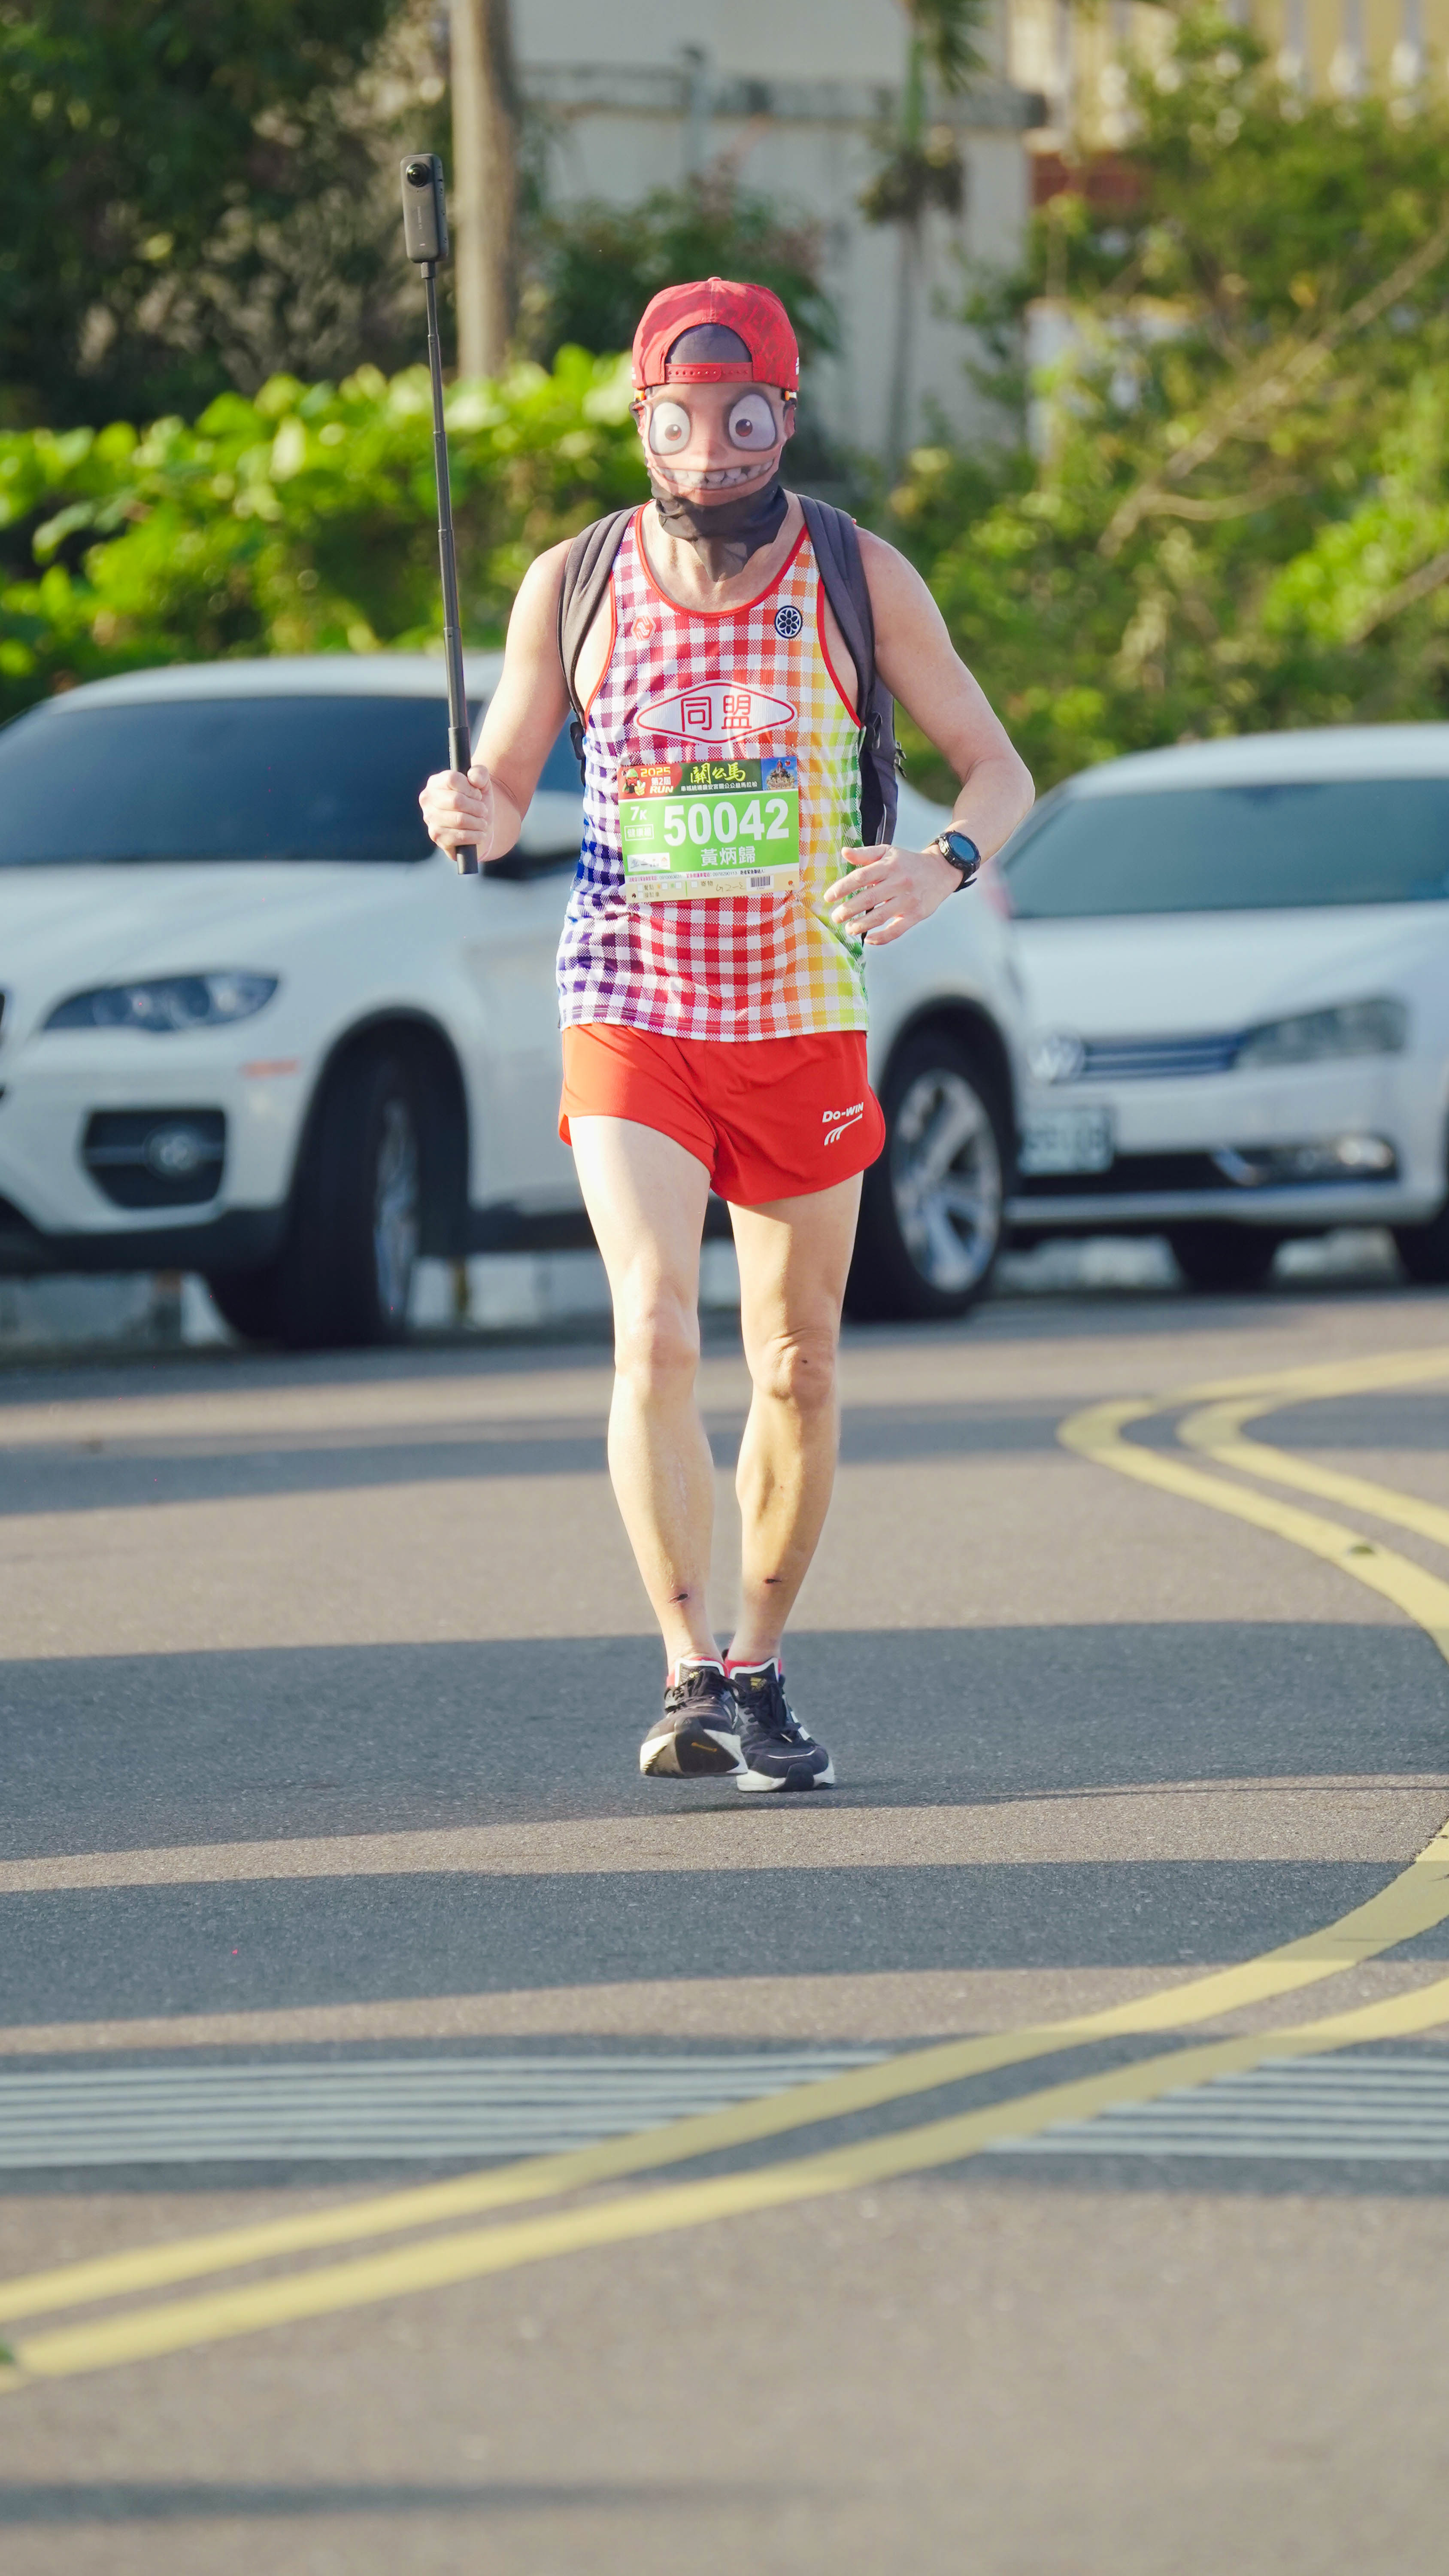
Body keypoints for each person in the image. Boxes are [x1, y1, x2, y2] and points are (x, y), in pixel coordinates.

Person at [420, 276, 1033, 1792]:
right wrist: (467, 807)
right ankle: (685, 1669)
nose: (711, 450)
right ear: (644, 420)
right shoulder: (574, 581)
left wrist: (941, 865)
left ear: (784, 416)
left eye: (742, 417)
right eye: (681, 419)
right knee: (652, 1327)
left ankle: (759, 1669)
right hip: (630, 1000)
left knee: (797, 1362)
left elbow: (997, 772)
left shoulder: (856, 572)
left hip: (803, 1008)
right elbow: (504, 786)